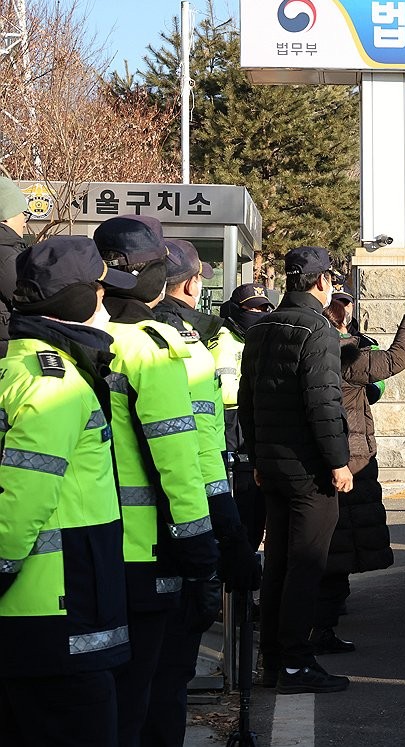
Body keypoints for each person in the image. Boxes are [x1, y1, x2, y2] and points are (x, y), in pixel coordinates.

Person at [0, 237, 138, 746]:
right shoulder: (52, 383)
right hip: (57, 616)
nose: (106, 306)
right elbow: (22, 499)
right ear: (78, 300)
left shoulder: (20, 368)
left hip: (49, 614)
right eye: (100, 293)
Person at [93, 216, 219, 744]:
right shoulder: (154, 346)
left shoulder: (74, 337)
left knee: (102, 697)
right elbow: (179, 460)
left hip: (86, 549)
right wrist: (204, 548)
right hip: (150, 551)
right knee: (150, 690)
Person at [143, 239, 261, 747]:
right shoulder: (183, 349)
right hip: (177, 546)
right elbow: (197, 465)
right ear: (193, 284)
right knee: (165, 685)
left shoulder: (105, 336)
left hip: (101, 553)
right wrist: (228, 545)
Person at [239, 246, 353, 694]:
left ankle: (273, 661)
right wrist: (338, 462)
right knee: (306, 567)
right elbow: (323, 404)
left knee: (278, 565)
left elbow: (248, 399)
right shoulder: (318, 331)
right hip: (309, 470)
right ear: (321, 282)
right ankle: (296, 663)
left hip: (272, 465)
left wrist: (258, 458)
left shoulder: (262, 327)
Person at [311, 296, 405, 654]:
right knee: (337, 545)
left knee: (335, 543)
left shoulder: (315, 348)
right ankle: (321, 626)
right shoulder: (342, 354)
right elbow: (395, 360)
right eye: (345, 314)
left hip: (335, 457)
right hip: (347, 460)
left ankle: (323, 617)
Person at [216, 283, 274, 552]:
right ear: (237, 310)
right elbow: (226, 391)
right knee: (240, 501)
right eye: (252, 308)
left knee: (255, 507)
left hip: (257, 423)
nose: (258, 313)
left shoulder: (264, 337)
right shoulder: (222, 338)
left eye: (263, 308)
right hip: (230, 425)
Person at [0, 176, 30, 355]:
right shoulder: (6, 258)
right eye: (22, 214)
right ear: (6, 217)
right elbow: (30, 300)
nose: (25, 222)